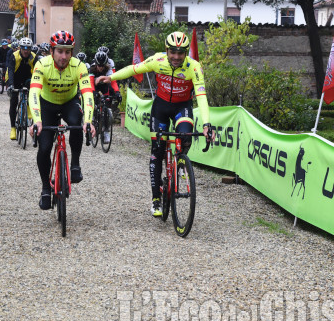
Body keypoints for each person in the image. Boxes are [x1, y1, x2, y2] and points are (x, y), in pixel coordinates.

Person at [96, 31, 215, 217]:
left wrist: (207, 124)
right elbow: (134, 69)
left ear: (186, 53)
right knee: (157, 152)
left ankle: (181, 162)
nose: (176, 57)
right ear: (166, 50)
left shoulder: (194, 67)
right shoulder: (157, 60)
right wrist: (112, 78)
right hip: (160, 108)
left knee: (185, 136)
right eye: (173, 52)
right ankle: (156, 198)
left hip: (182, 107)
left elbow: (201, 96)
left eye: (181, 53)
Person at [28, 30, 95, 210]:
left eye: (67, 52)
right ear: (52, 51)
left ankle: (74, 164)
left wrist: (89, 120)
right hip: (46, 105)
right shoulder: (42, 64)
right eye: (59, 51)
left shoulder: (79, 66)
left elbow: (87, 94)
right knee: (44, 147)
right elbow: (33, 92)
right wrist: (37, 120)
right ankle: (45, 189)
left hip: (69, 103)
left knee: (76, 124)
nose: (63, 56)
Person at [7, 37, 36, 140]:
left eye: (28, 48)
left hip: (28, 78)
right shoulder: (14, 56)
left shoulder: (33, 57)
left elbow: (38, 72)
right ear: (20, 48)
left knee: (32, 92)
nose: (25, 50)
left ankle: (28, 109)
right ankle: (13, 128)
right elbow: (10, 71)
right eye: (23, 48)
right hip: (15, 79)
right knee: (13, 102)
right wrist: (10, 85)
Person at [89, 51, 121, 144]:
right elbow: (91, 82)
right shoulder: (92, 68)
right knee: (94, 99)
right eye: (99, 65)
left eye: (102, 66)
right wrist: (94, 92)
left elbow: (113, 81)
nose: (100, 68)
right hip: (94, 84)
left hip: (104, 85)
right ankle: (93, 119)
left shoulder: (108, 68)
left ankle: (105, 130)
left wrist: (117, 92)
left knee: (106, 105)